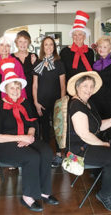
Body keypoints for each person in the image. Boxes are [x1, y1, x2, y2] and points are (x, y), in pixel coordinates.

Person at [0, 58, 58, 212]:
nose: (15, 91)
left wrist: (30, 136)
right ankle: (28, 196)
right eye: (12, 87)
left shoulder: (25, 102)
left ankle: (44, 191)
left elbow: (32, 123)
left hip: (25, 137)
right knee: (31, 157)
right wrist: (22, 138)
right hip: (2, 144)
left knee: (46, 151)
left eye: (18, 87)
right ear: (6, 89)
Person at [67, 71, 111, 212]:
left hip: (86, 144)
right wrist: (102, 144)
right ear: (77, 87)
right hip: (78, 152)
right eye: (85, 86)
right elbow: (84, 134)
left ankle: (109, 179)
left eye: (91, 86)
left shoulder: (87, 103)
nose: (89, 89)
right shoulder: (77, 106)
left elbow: (97, 125)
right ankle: (104, 194)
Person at [32, 36, 66, 167]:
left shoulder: (59, 63)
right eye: (46, 45)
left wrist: (61, 103)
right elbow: (34, 85)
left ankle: (58, 154)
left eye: (51, 44)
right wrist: (36, 102)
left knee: (57, 128)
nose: (48, 47)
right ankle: (46, 154)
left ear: (54, 47)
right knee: (44, 129)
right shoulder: (37, 63)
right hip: (41, 102)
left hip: (56, 102)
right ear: (42, 47)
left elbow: (63, 85)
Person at [90, 35, 111, 119]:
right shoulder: (94, 64)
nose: (101, 49)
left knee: (110, 126)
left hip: (109, 101)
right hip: (95, 99)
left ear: (110, 49)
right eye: (100, 46)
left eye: (105, 47)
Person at [60, 10, 94, 82]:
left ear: (84, 37)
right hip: (69, 86)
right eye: (74, 35)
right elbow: (61, 72)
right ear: (72, 37)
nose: (77, 37)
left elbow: (91, 71)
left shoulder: (90, 52)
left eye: (80, 34)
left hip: (86, 86)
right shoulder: (64, 52)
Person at [11, 30, 37, 107]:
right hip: (16, 93)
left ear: (29, 43)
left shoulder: (33, 56)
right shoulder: (11, 57)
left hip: (32, 93)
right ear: (16, 43)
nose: (23, 44)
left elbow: (39, 76)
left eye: (25, 41)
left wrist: (35, 64)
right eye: (20, 41)